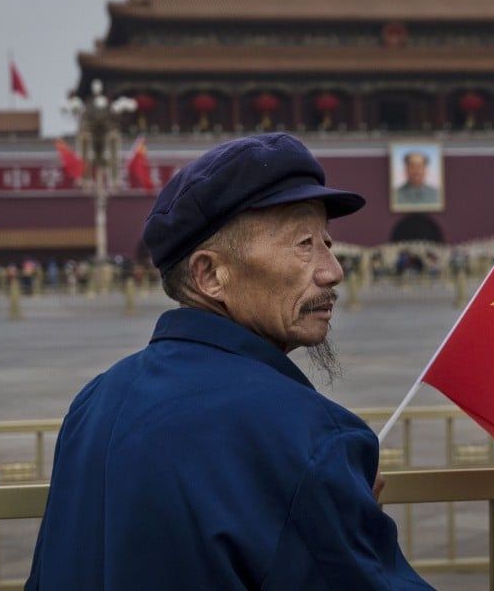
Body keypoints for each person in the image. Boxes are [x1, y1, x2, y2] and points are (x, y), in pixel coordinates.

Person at [26, 133, 432, 590]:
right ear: (210, 274)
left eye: (327, 242)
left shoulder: (94, 403)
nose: (332, 270)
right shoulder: (308, 437)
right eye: (303, 244)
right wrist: (355, 530)